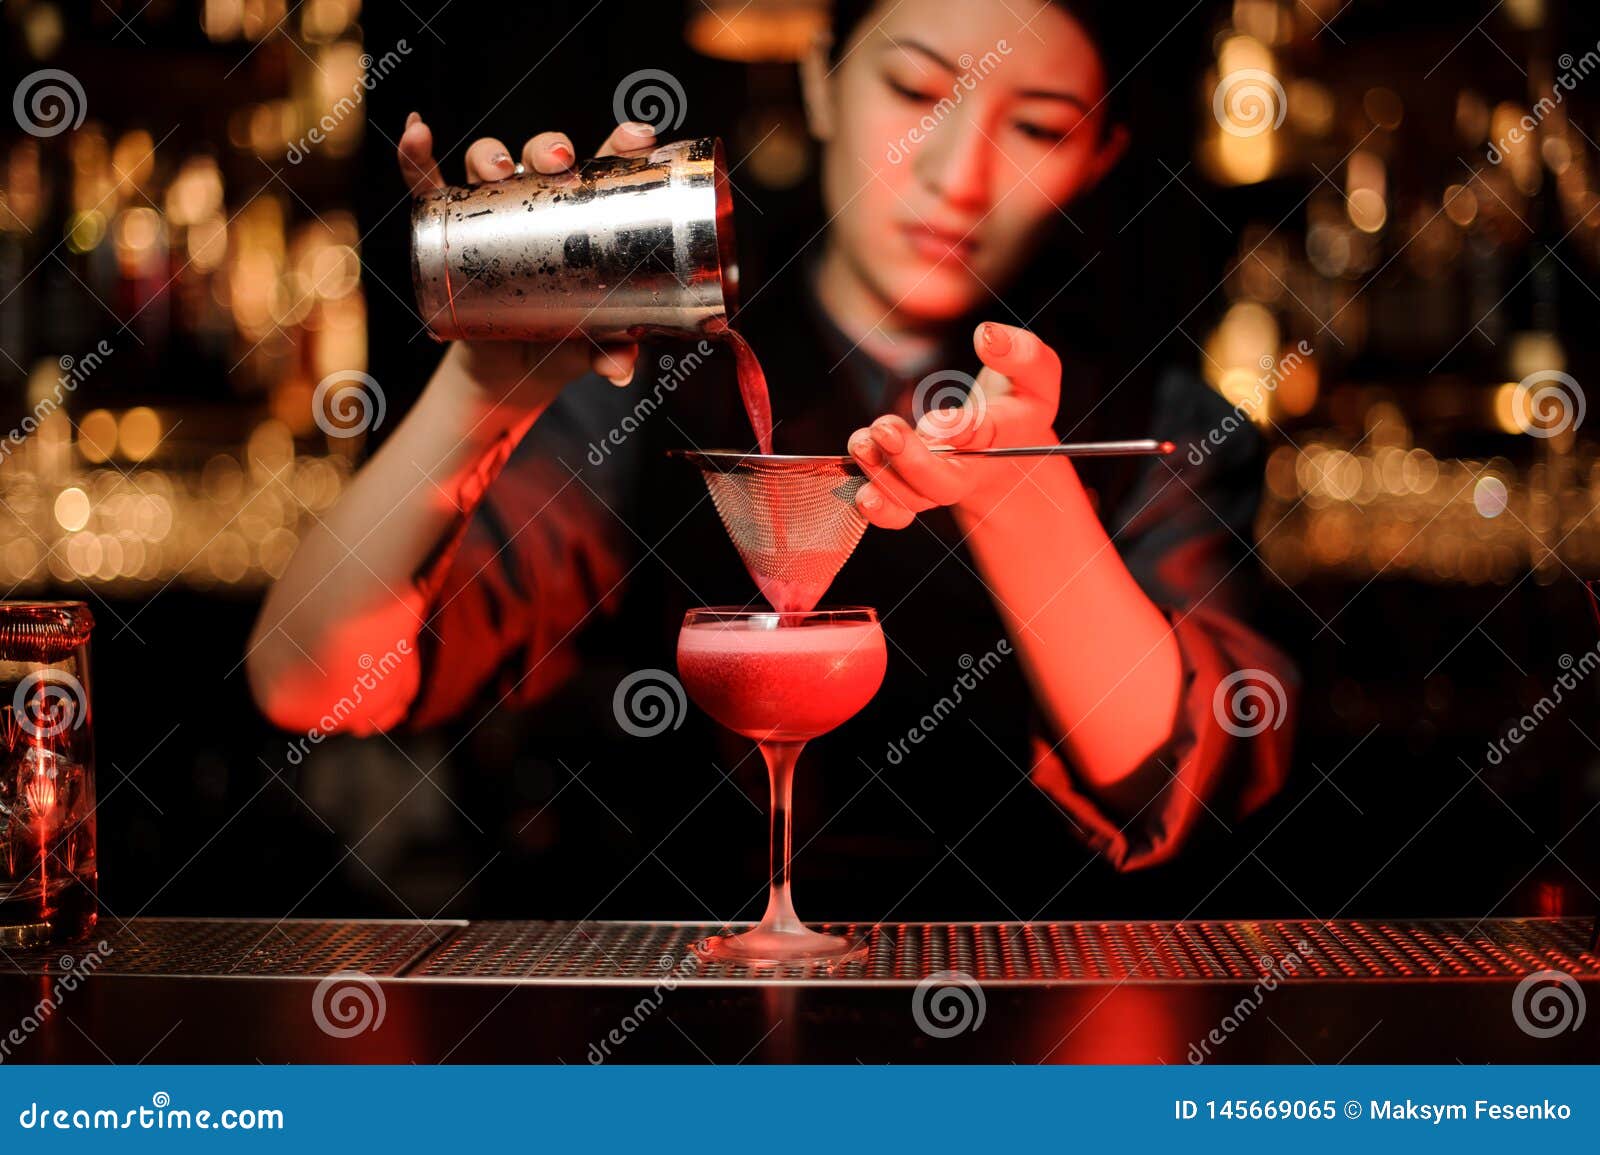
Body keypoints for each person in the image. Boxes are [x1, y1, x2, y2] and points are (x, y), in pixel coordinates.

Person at [247, 0, 1297, 918]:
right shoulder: (640, 382)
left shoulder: (1161, 424)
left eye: (1033, 126)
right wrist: (480, 391)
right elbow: (313, 683)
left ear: (1099, 155)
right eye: (915, 89)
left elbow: (1188, 789)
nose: (958, 173)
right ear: (821, 82)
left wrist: (1023, 490)